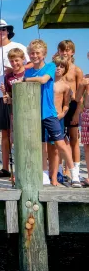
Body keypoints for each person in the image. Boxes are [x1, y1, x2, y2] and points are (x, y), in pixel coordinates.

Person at [24, 39, 81, 188]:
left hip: (49, 113)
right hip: (35, 114)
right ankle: (44, 175)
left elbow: (43, 80)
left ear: (44, 54)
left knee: (60, 143)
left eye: (37, 53)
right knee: (42, 146)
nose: (34, 55)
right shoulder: (28, 70)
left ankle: (74, 174)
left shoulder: (50, 66)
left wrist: (25, 79)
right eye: (32, 53)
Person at [0, 19, 31, 178]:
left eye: (3, 29)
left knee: (18, 133)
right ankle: (5, 168)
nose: (1, 32)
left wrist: (15, 69)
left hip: (17, 94)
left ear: (8, 31)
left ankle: (22, 167)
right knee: (5, 133)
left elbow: (31, 64)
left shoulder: (19, 47)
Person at [57, 40, 83, 174]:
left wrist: (77, 113)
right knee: (60, 138)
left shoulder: (77, 70)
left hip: (73, 105)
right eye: (62, 50)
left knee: (74, 138)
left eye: (67, 50)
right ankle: (62, 168)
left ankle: (75, 168)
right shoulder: (57, 68)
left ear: (72, 52)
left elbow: (81, 94)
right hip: (60, 104)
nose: (65, 53)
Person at [44, 55, 71, 186]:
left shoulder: (65, 86)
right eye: (56, 66)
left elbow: (66, 104)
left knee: (55, 149)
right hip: (45, 117)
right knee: (45, 148)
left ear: (65, 69)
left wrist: (61, 114)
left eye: (62, 66)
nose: (58, 68)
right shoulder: (46, 82)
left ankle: (54, 177)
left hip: (57, 118)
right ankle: (46, 174)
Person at [76, 71, 89, 186]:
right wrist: (82, 85)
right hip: (87, 113)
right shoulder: (86, 78)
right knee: (87, 147)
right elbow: (77, 97)